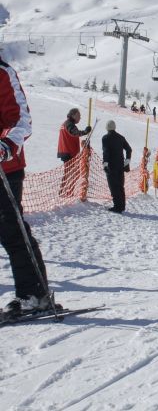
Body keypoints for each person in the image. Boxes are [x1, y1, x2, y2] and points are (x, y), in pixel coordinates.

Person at [0, 55, 54, 315]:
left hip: (5, 169)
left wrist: (6, 145)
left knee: (12, 230)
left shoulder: (2, 73)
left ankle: (34, 294)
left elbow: (21, 120)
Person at [102, 120, 132, 214]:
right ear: (114, 127)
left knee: (113, 186)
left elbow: (106, 152)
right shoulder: (121, 137)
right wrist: (127, 162)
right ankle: (122, 206)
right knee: (120, 186)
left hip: (111, 165)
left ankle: (117, 207)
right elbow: (129, 149)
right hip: (120, 165)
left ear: (107, 128)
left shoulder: (105, 138)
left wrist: (105, 164)